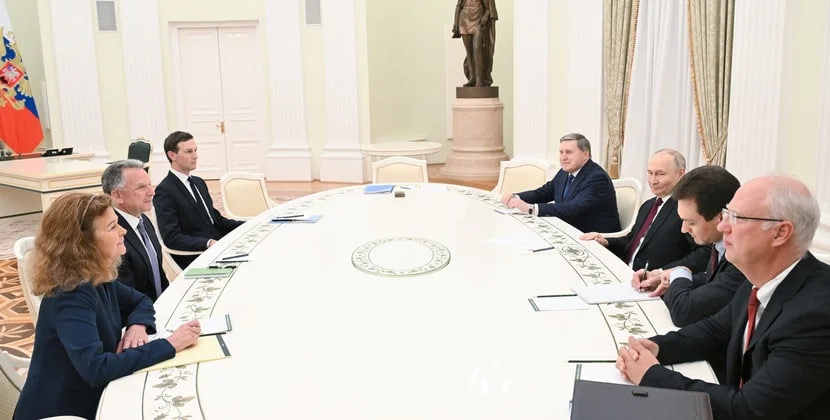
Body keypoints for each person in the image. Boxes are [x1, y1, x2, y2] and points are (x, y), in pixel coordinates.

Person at [617, 175, 830, 420]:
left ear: (780, 233)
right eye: (727, 214)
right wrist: (657, 346)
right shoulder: (761, 276)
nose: (722, 226)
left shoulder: (817, 314)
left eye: (737, 218)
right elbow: (716, 330)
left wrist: (651, 376)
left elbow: (748, 409)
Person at [14, 193, 201, 419]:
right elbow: (97, 369)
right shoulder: (70, 294)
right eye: (112, 227)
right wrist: (170, 344)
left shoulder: (96, 276)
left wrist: (137, 326)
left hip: (93, 396)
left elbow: (140, 301)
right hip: (63, 412)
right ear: (83, 243)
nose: (123, 231)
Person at [632, 165, 744, 327]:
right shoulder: (719, 244)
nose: (684, 229)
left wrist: (680, 273)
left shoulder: (742, 257)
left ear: (722, 217)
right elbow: (711, 279)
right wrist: (669, 277)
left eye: (691, 223)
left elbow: (683, 312)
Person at [581, 149, 701, 270]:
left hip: (653, 279)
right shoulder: (648, 205)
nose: (653, 181)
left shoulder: (687, 209)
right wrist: (605, 241)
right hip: (623, 270)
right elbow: (632, 240)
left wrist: (663, 273)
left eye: (660, 174)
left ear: (681, 174)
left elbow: (702, 253)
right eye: (650, 173)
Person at [153, 131, 244, 268]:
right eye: (189, 151)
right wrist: (208, 243)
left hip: (218, 247)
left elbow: (216, 220)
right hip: (197, 257)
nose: (195, 156)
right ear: (172, 155)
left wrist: (249, 224)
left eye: (195, 150)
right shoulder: (165, 191)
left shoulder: (199, 182)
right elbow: (171, 237)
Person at [503, 133, 620, 233]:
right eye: (561, 152)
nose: (563, 157)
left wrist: (531, 209)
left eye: (568, 152)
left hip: (594, 241)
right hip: (567, 231)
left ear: (585, 155)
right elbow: (544, 192)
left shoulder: (597, 178)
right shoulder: (565, 172)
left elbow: (572, 208)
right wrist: (516, 197)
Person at [102, 159, 168, 301]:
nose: (152, 192)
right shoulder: (113, 236)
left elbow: (158, 274)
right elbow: (126, 298)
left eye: (150, 184)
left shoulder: (143, 220)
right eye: (141, 187)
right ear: (118, 195)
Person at [452, 0, 498, 87]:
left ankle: (479, 79)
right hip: (464, 19)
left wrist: (486, 15)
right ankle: (472, 78)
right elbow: (458, 6)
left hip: (478, 18)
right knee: (469, 52)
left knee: (477, 49)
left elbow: (489, 8)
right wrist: (455, 23)